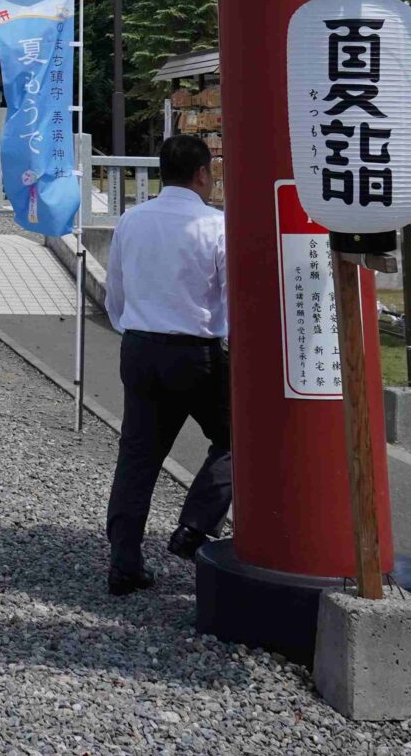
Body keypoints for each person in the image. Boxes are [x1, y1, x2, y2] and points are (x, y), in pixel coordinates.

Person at [102, 133, 231, 596]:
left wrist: (130, 326)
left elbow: (114, 290)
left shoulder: (132, 220)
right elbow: (229, 299)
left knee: (137, 458)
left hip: (138, 347)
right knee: (238, 437)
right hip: (194, 351)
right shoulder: (215, 225)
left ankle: (124, 561)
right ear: (201, 174)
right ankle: (195, 526)